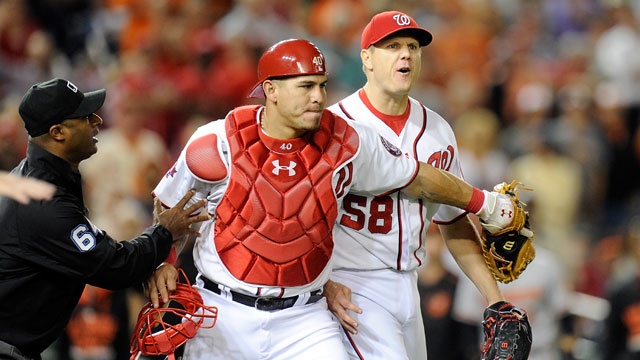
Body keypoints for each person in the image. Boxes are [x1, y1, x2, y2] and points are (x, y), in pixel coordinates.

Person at [146, 38, 523, 360]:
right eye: (306, 86)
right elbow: (170, 206)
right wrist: (164, 259)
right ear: (271, 90)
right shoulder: (217, 142)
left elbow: (419, 177)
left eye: (322, 86)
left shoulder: (348, 143)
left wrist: (484, 203)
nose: (318, 97)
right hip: (222, 309)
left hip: (303, 319)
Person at [323, 11, 517, 359]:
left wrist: (495, 298)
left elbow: (451, 221)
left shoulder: (438, 129)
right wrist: (323, 284)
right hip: (352, 284)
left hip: (409, 284)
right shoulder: (336, 126)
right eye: (392, 45)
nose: (406, 54)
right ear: (366, 58)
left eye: (413, 46)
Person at [0, 78, 210, 360]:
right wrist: (164, 230)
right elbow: (114, 265)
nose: (98, 120)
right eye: (85, 117)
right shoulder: (44, 203)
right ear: (58, 132)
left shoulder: (37, 177)